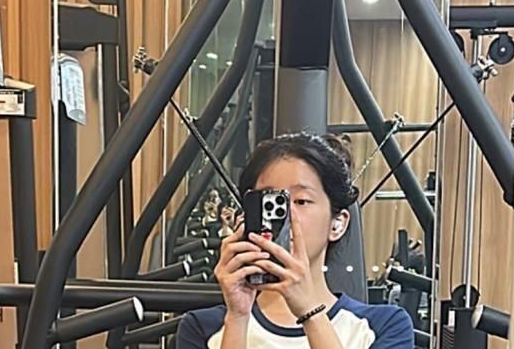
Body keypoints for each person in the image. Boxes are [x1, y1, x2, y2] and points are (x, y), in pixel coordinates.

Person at [176, 132, 414, 348]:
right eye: (270, 203)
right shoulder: (203, 328)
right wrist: (237, 318)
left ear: (337, 223)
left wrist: (310, 311)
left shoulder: (382, 326)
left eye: (301, 201)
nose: (286, 217)